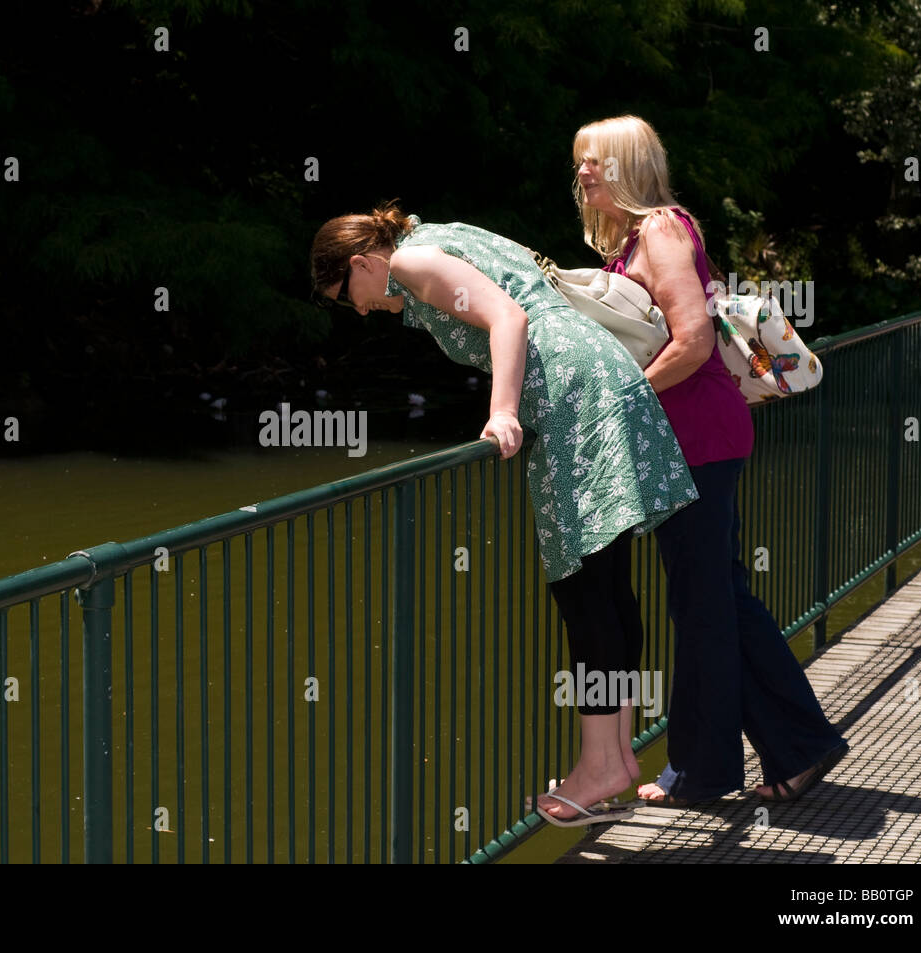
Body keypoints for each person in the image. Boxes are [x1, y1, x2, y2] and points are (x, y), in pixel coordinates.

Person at [310, 202, 699, 825]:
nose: (358, 309)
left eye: (347, 294)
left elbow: (508, 317)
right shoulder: (437, 233)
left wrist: (502, 411)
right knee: (606, 583)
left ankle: (602, 762)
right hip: (599, 373)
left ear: (363, 262)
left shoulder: (410, 259)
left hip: (572, 393)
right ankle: (617, 756)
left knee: (580, 585)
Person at [572, 115, 849, 806]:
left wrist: (620, 401)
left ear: (628, 166)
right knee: (718, 602)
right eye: (578, 163)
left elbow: (693, 340)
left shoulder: (661, 229)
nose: (582, 174)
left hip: (698, 441)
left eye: (595, 163)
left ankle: (705, 769)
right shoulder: (648, 234)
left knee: (704, 608)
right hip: (694, 442)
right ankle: (795, 746)